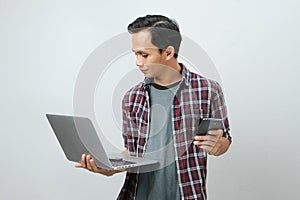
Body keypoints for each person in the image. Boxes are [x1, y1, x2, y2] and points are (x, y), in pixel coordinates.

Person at [75, 14, 232, 200]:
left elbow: (225, 141)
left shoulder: (208, 91)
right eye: (135, 54)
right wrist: (109, 167)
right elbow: (133, 153)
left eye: (144, 54)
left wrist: (217, 145)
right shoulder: (131, 98)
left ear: (168, 52)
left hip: (187, 194)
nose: (138, 62)